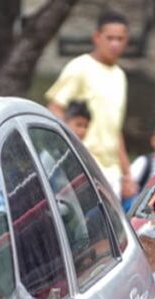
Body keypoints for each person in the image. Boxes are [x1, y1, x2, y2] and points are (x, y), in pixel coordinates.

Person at [46, 10, 136, 199]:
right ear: (97, 37)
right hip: (81, 163)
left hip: (111, 169)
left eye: (120, 39)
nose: (115, 44)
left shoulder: (120, 75)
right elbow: (55, 108)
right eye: (110, 38)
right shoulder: (80, 66)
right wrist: (72, 148)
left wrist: (127, 174)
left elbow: (115, 128)